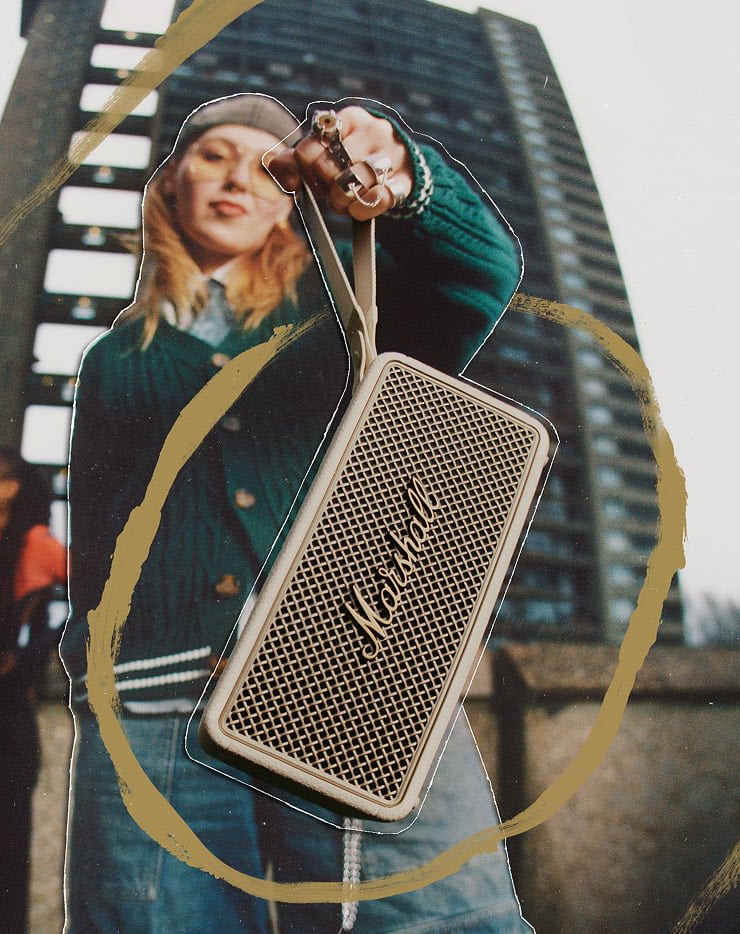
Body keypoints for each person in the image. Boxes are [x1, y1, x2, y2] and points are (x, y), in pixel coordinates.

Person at [61, 93, 529, 933]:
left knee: (442, 921)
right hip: (151, 708)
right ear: (170, 185)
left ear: (294, 196)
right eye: (211, 156)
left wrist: (401, 178)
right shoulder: (113, 356)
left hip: (347, 688)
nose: (236, 176)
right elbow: (95, 535)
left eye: (265, 164)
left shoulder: (351, 317)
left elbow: (482, 271)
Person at [0, 447, 68, 934]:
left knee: (3, 846)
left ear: (11, 486)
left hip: (3, 716)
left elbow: (102, 592)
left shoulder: (35, 545)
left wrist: (29, 656)